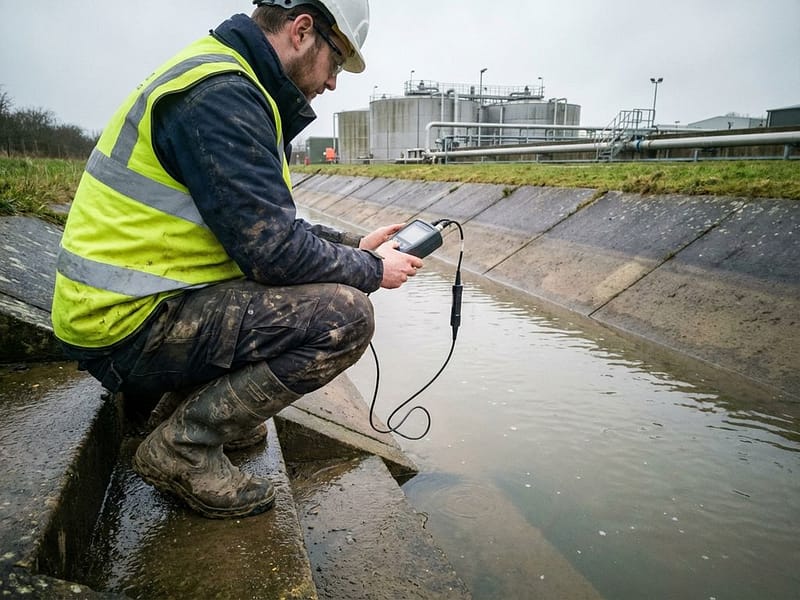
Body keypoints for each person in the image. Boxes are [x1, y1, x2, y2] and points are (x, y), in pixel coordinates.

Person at [50, 0, 424, 519]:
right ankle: (182, 448)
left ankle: (192, 409)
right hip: (126, 325)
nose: (335, 82)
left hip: (135, 304)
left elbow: (264, 226)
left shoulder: (228, 80)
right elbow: (274, 254)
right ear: (301, 31)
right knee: (345, 317)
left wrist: (354, 245)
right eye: (336, 62)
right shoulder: (223, 96)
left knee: (314, 292)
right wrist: (372, 271)